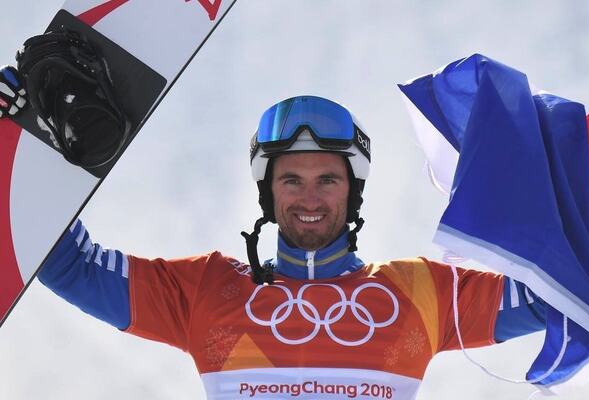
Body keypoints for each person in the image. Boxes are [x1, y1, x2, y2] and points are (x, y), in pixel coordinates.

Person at [1, 68, 546, 399]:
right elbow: (67, 266)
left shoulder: (418, 292)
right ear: (268, 193)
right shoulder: (208, 290)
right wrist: (30, 143)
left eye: (327, 179)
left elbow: (556, 293)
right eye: (291, 180)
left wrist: (567, 171)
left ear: (352, 191)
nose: (309, 198)